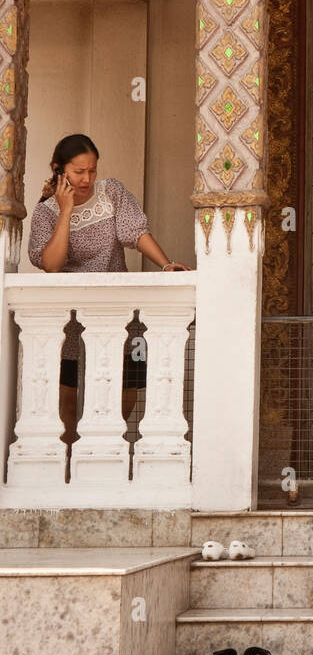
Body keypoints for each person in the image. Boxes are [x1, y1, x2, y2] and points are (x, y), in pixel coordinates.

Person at [28, 133, 189, 447]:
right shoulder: (46, 213)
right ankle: (71, 469)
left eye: (92, 170)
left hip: (120, 316)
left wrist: (166, 264)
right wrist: (65, 210)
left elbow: (136, 233)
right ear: (58, 170)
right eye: (78, 171)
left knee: (125, 395)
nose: (87, 178)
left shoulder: (112, 192)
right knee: (70, 406)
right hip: (70, 325)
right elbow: (51, 264)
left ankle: (103, 455)